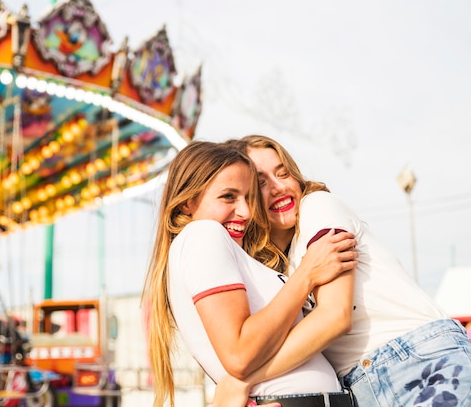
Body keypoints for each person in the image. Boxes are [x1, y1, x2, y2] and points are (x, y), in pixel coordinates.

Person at [216, 134, 471, 407]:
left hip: (422, 365)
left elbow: (335, 316)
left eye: (283, 173)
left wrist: (247, 379)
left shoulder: (317, 209)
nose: (278, 187)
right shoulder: (282, 268)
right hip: (367, 388)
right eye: (261, 181)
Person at [141, 141, 358, 407]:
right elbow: (239, 355)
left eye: (248, 198)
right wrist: (306, 275)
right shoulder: (203, 234)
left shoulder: (215, 247)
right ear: (187, 203)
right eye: (228, 197)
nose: (245, 212)